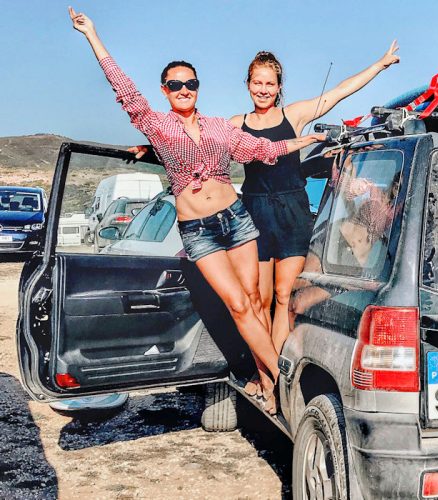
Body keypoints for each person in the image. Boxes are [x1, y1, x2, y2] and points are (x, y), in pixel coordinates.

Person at [68, 7, 324, 413]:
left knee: (257, 303)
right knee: (239, 305)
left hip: (236, 219)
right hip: (199, 230)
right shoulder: (157, 125)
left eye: (190, 83)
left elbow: (263, 149)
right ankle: (284, 381)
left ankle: (268, 382)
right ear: (164, 90)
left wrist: (306, 140)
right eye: (175, 84)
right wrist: (92, 35)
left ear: (198, 87)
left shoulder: (222, 127)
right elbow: (123, 88)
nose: (183, 89)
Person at [228, 44, 399, 377]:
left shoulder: (294, 116)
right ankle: (264, 374)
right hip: (255, 214)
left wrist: (378, 64)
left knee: (283, 297)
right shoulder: (237, 124)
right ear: (248, 84)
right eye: (257, 83)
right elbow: (197, 140)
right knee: (257, 302)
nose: (263, 90)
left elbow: (338, 93)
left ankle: (278, 376)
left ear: (279, 88)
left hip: (292, 213)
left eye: (270, 84)